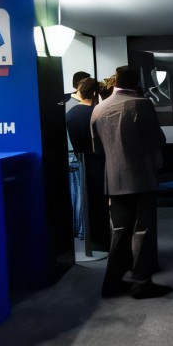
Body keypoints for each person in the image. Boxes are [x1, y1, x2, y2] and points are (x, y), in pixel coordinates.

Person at [90, 65, 171, 299]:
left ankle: (112, 283)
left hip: (114, 178)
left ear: (115, 81)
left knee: (119, 231)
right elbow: (159, 138)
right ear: (137, 83)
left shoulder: (98, 108)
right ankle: (141, 282)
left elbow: (97, 149)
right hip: (142, 176)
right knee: (142, 230)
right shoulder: (142, 105)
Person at [65, 78, 110, 252]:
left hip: (80, 161)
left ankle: (88, 240)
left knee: (83, 202)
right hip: (98, 162)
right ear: (95, 93)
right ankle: (101, 242)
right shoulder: (96, 113)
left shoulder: (70, 113)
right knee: (99, 205)